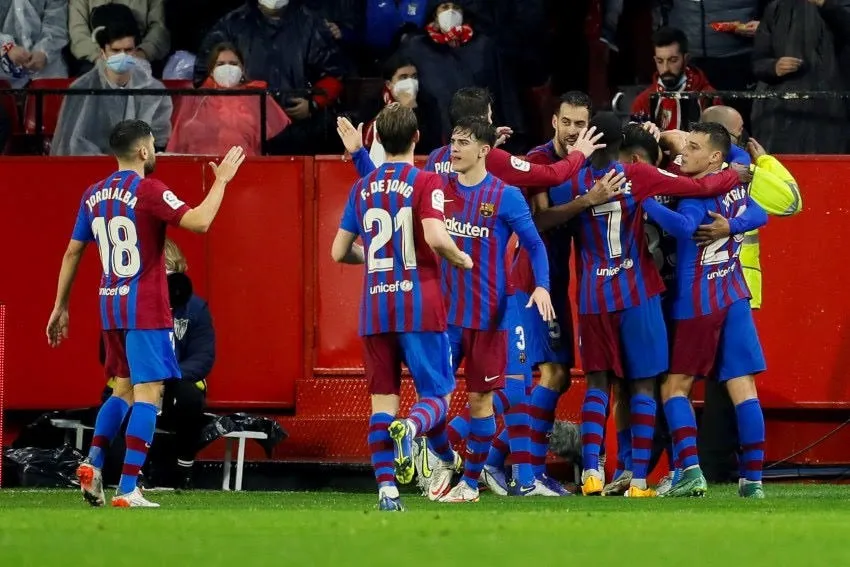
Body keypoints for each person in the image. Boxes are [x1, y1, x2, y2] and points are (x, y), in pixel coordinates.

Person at [541, 112, 746, 498]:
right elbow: (695, 186)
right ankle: (637, 481)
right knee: (644, 385)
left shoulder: (572, 180)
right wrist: (736, 173)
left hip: (592, 297)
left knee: (599, 383)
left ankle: (591, 473)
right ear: (623, 144)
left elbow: (546, 218)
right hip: (637, 291)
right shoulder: (637, 174)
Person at [45, 119, 245, 508]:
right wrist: (222, 180)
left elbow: (72, 252)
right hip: (146, 306)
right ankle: (127, 488)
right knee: (149, 394)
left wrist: (60, 305)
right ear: (142, 151)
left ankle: (94, 464)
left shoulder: (94, 194)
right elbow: (200, 222)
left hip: (110, 304)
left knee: (121, 387)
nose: (156, 151)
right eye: (154, 145)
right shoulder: (149, 190)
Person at [330, 103, 473, 511]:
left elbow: (339, 251)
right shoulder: (426, 182)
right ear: (416, 137)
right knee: (438, 396)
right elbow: (435, 236)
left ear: (377, 141)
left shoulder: (363, 188)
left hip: (375, 309)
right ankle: (410, 430)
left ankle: (388, 491)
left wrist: (375, 259)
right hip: (419, 303)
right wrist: (459, 257)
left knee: (382, 402)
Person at [642, 122, 769, 498]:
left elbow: (683, 227)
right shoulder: (732, 183)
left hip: (699, 301)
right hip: (734, 293)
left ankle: (691, 472)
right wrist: (732, 225)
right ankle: (754, 483)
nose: (685, 155)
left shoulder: (696, 195)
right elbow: (760, 214)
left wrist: (644, 199)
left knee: (674, 388)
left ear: (715, 156)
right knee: (744, 389)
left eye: (694, 148)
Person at [437, 117, 555, 503]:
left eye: (464, 142)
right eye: (452, 141)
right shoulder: (439, 188)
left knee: (484, 398)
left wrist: (541, 286)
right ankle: (438, 458)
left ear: (484, 150)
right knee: (433, 394)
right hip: (447, 315)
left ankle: (472, 482)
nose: (454, 148)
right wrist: (357, 154)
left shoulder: (505, 196)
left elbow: (535, 245)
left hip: (491, 316)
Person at [51, 18, 172, 156]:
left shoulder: (154, 89)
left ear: (135, 51)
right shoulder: (81, 88)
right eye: (115, 50)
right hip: (90, 168)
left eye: (128, 50)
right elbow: (71, 142)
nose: (122, 56)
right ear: (102, 52)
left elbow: (159, 138)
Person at [166, 41, 290, 156]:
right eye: (220, 64)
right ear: (211, 71)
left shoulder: (257, 97)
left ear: (242, 69)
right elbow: (179, 139)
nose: (227, 68)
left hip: (247, 168)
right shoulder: (194, 99)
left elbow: (273, 141)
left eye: (233, 64)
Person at [631, 27, 716, 132]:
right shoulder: (643, 101)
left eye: (673, 60)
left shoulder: (708, 96)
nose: (666, 68)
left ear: (686, 58)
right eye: (660, 61)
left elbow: (719, 143)